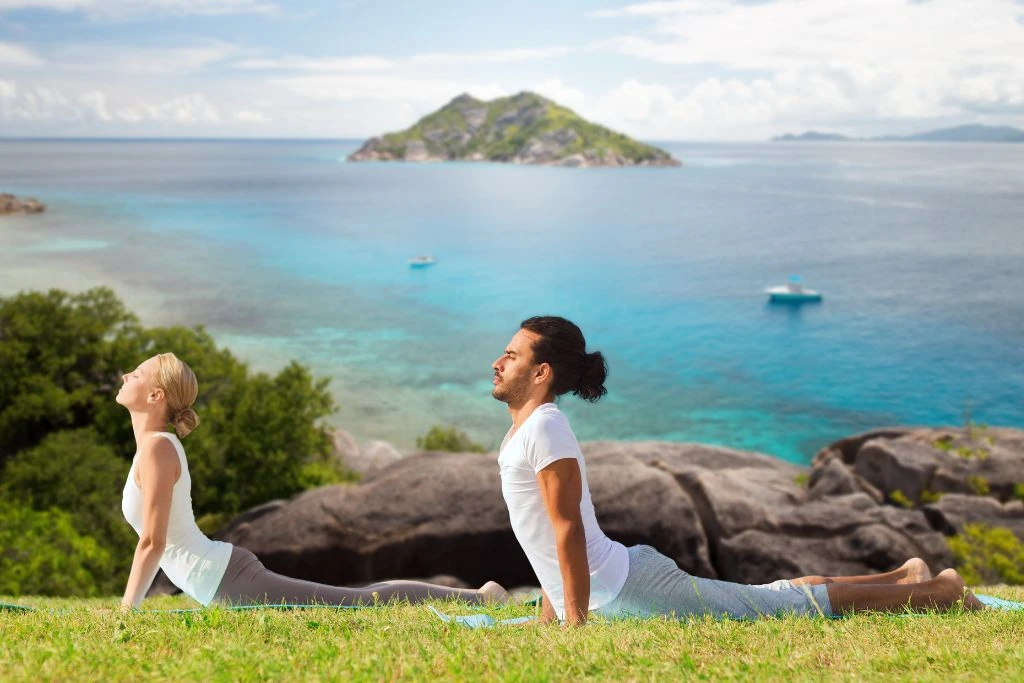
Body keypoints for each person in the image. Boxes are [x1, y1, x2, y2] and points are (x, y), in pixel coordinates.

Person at [490, 316, 984, 626]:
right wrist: (551, 614)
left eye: (511, 355)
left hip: (627, 591)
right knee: (763, 599)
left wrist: (572, 623)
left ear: (541, 373)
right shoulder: (527, 430)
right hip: (616, 586)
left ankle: (939, 593)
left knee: (781, 611)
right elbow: (544, 537)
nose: (498, 362)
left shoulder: (547, 427)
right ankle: (902, 575)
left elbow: (567, 526)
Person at [116, 352, 507, 610]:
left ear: (154, 395)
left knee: (358, 603)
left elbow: (153, 541)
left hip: (226, 580)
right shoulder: (153, 448)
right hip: (220, 577)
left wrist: (125, 612)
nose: (124, 375)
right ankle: (475, 597)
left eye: (135, 374)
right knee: (355, 600)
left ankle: (478, 597)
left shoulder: (157, 449)